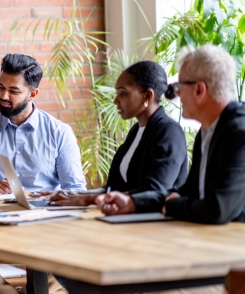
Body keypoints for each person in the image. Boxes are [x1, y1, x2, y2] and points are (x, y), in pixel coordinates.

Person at [0, 53, 86, 294]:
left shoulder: (59, 133)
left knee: (72, 262)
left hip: (46, 224)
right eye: (0, 87)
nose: (3, 96)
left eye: (13, 91)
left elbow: (77, 189)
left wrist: (48, 198)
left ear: (33, 93)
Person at [97, 44, 245, 224]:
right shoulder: (207, 132)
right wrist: (133, 203)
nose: (176, 94)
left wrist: (173, 205)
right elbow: (188, 192)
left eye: (179, 86)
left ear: (199, 90)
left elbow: (218, 209)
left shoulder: (239, 133)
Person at [44, 61, 189, 207]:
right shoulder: (137, 131)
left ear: (147, 96)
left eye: (123, 94)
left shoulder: (169, 132)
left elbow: (155, 190)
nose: (116, 101)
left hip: (156, 222)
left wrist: (88, 200)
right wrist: (74, 194)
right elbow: (116, 187)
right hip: (129, 218)